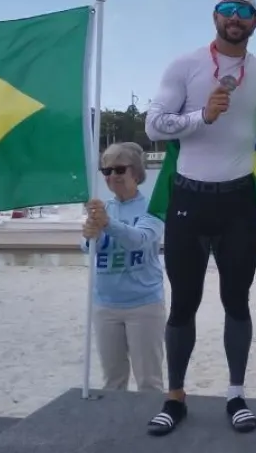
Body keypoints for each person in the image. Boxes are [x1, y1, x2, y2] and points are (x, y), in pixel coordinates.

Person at [143, 0, 256, 436]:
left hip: (238, 202)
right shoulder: (186, 65)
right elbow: (154, 125)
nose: (235, 17)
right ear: (215, 15)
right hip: (188, 201)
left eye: (245, 11)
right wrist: (203, 117)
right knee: (184, 304)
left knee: (237, 302)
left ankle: (235, 394)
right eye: (227, 9)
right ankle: (175, 397)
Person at [81, 142, 166, 394]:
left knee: (149, 381)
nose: (112, 176)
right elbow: (89, 248)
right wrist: (89, 235)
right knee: (113, 381)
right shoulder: (102, 208)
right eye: (106, 171)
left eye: (119, 170)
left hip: (144, 305)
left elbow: (138, 239)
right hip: (105, 304)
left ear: (136, 173)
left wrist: (107, 224)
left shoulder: (154, 207)